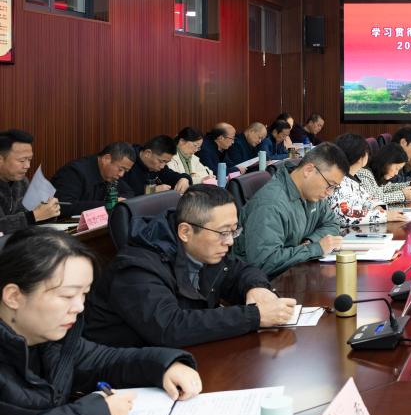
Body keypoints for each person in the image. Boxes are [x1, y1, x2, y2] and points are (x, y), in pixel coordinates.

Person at [0, 228, 201, 415]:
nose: (79, 307)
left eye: (84, 294)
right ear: (14, 296)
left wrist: (164, 366)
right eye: (67, 295)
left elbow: (103, 360)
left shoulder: (50, 339)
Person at [85, 185, 296, 348]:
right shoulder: (135, 269)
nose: (230, 241)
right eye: (223, 232)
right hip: (123, 377)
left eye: (234, 231)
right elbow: (170, 327)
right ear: (185, 232)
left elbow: (242, 270)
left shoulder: (205, 250)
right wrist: (254, 316)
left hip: (182, 359)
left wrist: (256, 287)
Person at [235, 142, 346, 277]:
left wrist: (310, 241)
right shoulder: (271, 204)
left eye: (334, 187)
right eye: (330, 185)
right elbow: (264, 262)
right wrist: (315, 249)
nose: (329, 192)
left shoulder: (313, 194)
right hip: (263, 283)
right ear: (308, 170)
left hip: (294, 275)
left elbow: (332, 223)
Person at [327, 134, 405, 227]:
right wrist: (383, 216)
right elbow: (344, 215)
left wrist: (376, 206)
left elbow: (366, 198)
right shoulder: (338, 182)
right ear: (361, 157)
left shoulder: (352, 178)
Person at [0, 130, 60, 234]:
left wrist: (49, 212)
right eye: (22, 160)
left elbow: (32, 216)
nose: (27, 166)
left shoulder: (22, 181)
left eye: (29, 160)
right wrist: (34, 216)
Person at [52, 141, 136, 216]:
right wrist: (108, 205)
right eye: (120, 169)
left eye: (125, 171)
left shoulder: (112, 175)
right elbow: (63, 206)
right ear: (106, 159)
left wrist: (116, 203)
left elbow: (129, 193)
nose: (122, 174)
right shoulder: (74, 172)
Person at [123, 135, 191, 196]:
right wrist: (152, 190)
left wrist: (184, 179)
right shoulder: (127, 161)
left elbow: (172, 176)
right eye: (161, 161)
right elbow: (123, 193)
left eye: (166, 162)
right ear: (148, 153)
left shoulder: (159, 167)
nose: (162, 166)